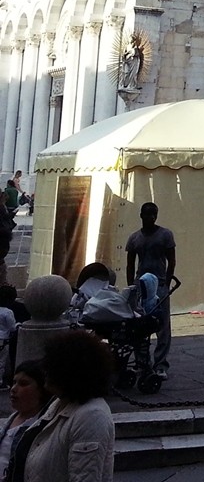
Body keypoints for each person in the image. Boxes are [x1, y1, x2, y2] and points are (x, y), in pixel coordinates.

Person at [13, 330, 115, 482]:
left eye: (51, 365)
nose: (45, 370)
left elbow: (84, 476)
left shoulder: (90, 417)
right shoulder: (59, 403)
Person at [125, 201, 176, 377]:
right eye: (147, 214)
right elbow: (130, 264)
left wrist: (167, 282)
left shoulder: (165, 235)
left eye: (153, 214)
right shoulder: (134, 238)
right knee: (139, 326)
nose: (151, 217)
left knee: (162, 326)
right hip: (141, 286)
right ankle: (142, 362)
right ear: (141, 215)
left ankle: (161, 365)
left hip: (159, 284)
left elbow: (172, 260)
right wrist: (131, 286)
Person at [0, 360, 49, 474]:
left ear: (41, 390)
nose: (13, 389)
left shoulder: (43, 428)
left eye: (23, 384)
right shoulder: (7, 423)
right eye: (14, 382)